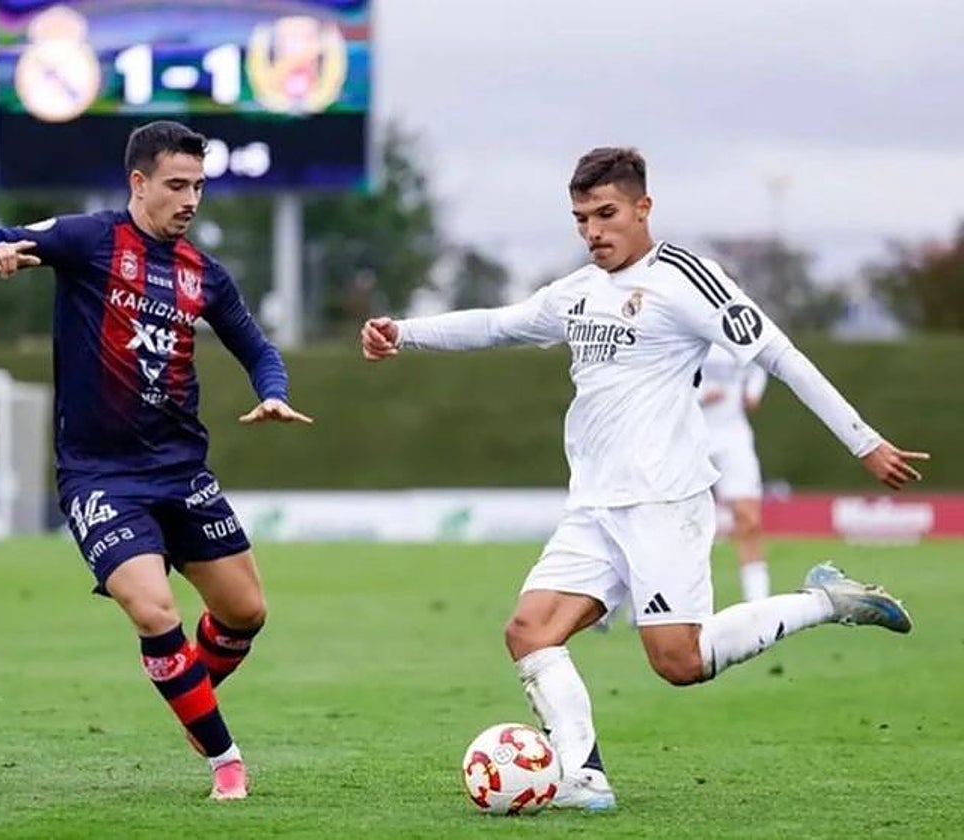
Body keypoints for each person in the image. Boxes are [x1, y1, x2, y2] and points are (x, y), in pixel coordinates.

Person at [359, 147, 928, 811]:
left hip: (663, 500)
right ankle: (583, 778)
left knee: (679, 663)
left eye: (606, 214)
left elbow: (779, 354)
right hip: (594, 507)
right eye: (580, 219)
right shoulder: (576, 292)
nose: (593, 231)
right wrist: (404, 332)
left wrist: (864, 441)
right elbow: (499, 324)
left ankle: (826, 601)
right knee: (529, 631)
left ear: (643, 208)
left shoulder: (685, 278)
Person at [0, 120, 312, 801]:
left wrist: (273, 393)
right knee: (153, 611)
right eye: (177, 186)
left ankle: (192, 696)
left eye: (199, 187)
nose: (190, 200)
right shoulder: (88, 241)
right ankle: (225, 760)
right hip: (100, 476)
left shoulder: (204, 275)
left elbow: (259, 350)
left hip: (182, 472)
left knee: (246, 612)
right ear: (139, 183)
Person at [699, 343, 771, 601]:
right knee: (668, 520)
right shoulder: (683, 325)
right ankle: (638, 600)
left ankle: (759, 605)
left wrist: (753, 392)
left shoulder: (737, 334)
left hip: (734, 435)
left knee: (749, 519)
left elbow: (759, 367)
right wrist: (699, 395)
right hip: (690, 434)